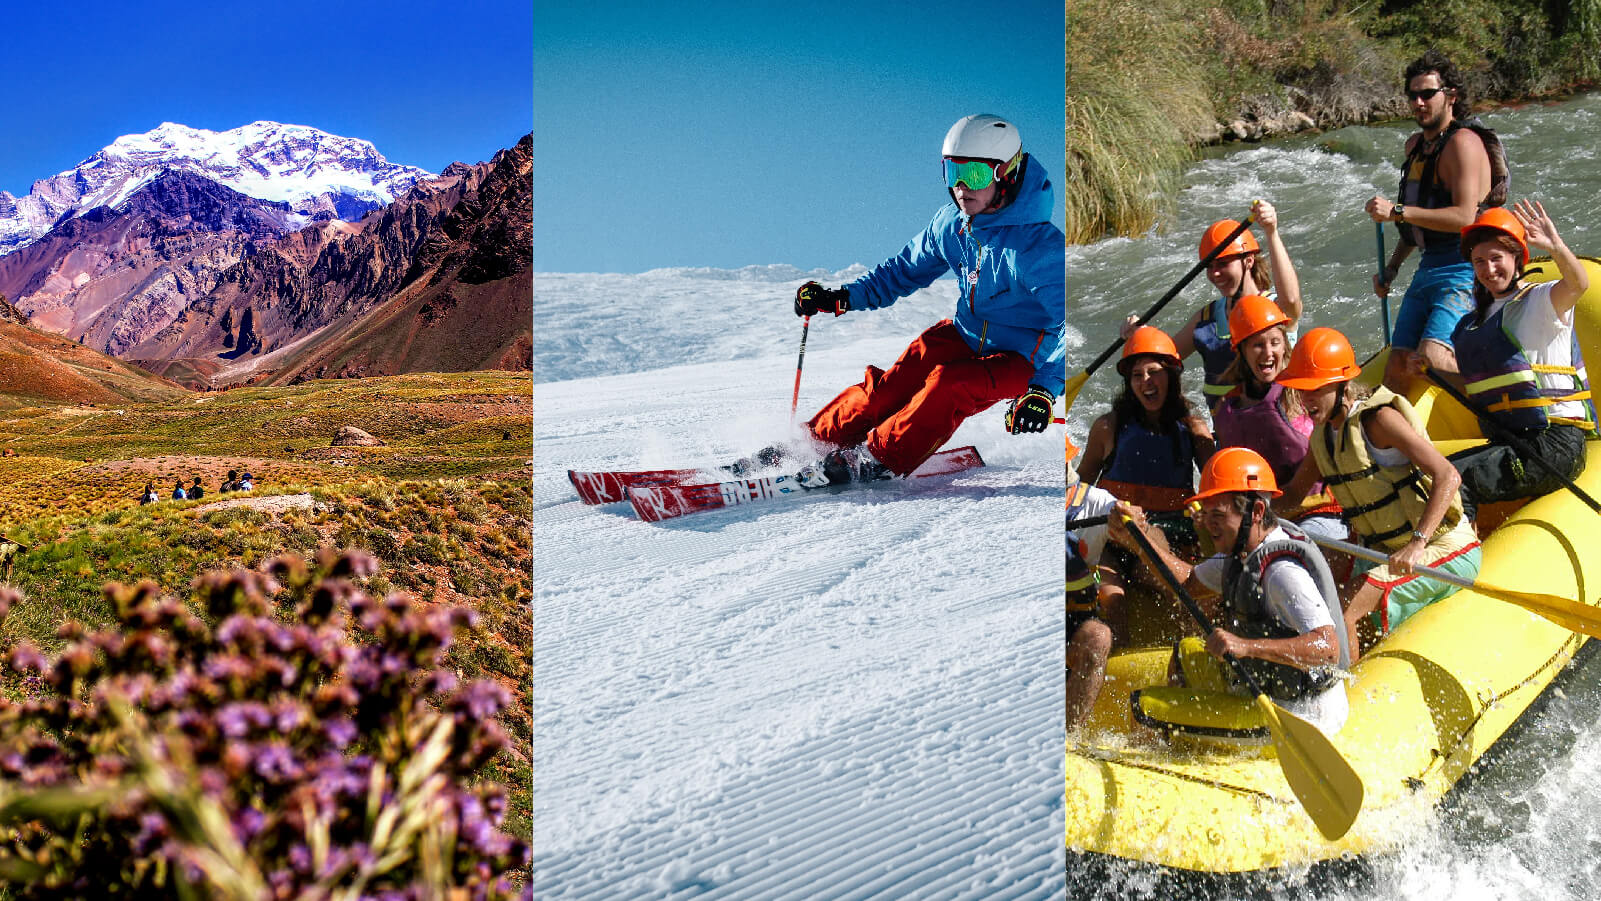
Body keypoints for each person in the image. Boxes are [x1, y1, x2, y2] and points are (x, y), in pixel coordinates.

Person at [790, 114, 1065, 485]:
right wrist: (839, 297)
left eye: (976, 175)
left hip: (1023, 358)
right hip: (964, 335)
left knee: (949, 383)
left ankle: (876, 458)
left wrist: (1044, 390)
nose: (961, 188)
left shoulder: (1038, 248)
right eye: (953, 174)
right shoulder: (952, 224)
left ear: (1007, 174)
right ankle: (812, 444)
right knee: (886, 391)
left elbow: (1070, 323)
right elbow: (902, 271)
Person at [1111, 447, 1350, 739]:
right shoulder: (1241, 553)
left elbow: (1328, 649)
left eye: (1219, 514)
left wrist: (1247, 647)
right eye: (1206, 512)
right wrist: (1139, 541)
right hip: (1275, 694)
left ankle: (1161, 761)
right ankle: (1178, 746)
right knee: (1185, 651)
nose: (1208, 523)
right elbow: (1186, 583)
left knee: (1146, 706)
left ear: (1257, 511)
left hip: (1302, 714)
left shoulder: (1282, 573)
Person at [1275, 327, 1481, 662]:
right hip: (1385, 551)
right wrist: (1251, 517)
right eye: (1300, 389)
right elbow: (1295, 493)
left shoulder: (1379, 419)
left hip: (1443, 547)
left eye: (1314, 389)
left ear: (1341, 386)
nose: (1304, 398)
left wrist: (1416, 543)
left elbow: (1448, 475)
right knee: (1317, 602)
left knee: (1342, 610)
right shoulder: (1323, 436)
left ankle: (1348, 697)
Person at [1434, 201, 1592, 517]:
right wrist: (1428, 372)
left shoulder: (1542, 300)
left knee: (1450, 481)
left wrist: (1556, 245)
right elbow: (1477, 388)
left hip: (1555, 444)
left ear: (1517, 258)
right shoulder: (1474, 322)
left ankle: (1456, 561)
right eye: (1479, 261)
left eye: (1496, 258)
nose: (1489, 269)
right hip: (1514, 441)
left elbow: (1579, 284)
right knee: (1434, 474)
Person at [1366, 50, 1508, 395]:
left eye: (1428, 93)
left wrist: (1396, 212)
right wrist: (1393, 266)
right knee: (1398, 365)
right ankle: (1393, 446)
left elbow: (1463, 217)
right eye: (1413, 95)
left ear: (1451, 96)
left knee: (1432, 357)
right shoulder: (1416, 147)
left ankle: (1503, 406)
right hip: (1429, 267)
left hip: (1464, 266)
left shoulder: (1463, 143)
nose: (1419, 102)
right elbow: (1420, 222)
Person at [1123, 200, 1302, 411]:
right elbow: (1165, 358)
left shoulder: (1275, 308)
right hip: (1228, 432)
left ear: (1249, 261)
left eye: (1223, 264)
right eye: (1210, 267)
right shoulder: (1208, 316)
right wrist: (1140, 335)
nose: (1215, 274)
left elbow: (1291, 301)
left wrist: (1271, 232)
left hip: (1277, 425)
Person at [1212, 295, 1347, 552]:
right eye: (1257, 345)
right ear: (1241, 351)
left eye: (1275, 342)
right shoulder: (1225, 410)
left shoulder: (1299, 393)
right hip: (1263, 518)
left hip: (1319, 510)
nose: (1268, 353)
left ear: (1285, 346)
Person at [1077, 326, 1216, 564]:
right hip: (1114, 534)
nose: (1145, 381)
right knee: (1111, 600)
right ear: (1129, 383)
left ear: (1171, 376)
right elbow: (1078, 492)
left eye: (1154, 372)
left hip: (1174, 535)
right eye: (1137, 375)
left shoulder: (1194, 430)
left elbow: (1217, 490)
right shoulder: (1107, 427)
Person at [1065, 437, 1124, 733]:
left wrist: (1130, 520)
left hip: (1074, 619)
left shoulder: (1098, 503)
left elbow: (1131, 516)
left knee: (1099, 636)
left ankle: (1067, 736)